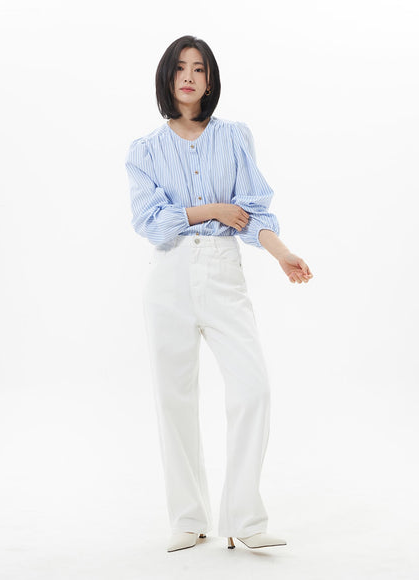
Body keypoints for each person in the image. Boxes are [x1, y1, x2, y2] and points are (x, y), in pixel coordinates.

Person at [124, 35, 313, 553]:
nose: (189, 76)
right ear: (167, 77)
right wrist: (210, 210)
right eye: (180, 68)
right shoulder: (144, 150)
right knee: (174, 399)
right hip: (169, 276)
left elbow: (252, 212)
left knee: (253, 389)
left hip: (223, 272)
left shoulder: (233, 137)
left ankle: (243, 518)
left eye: (199, 69)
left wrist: (282, 253)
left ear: (210, 81)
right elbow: (150, 223)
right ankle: (188, 518)